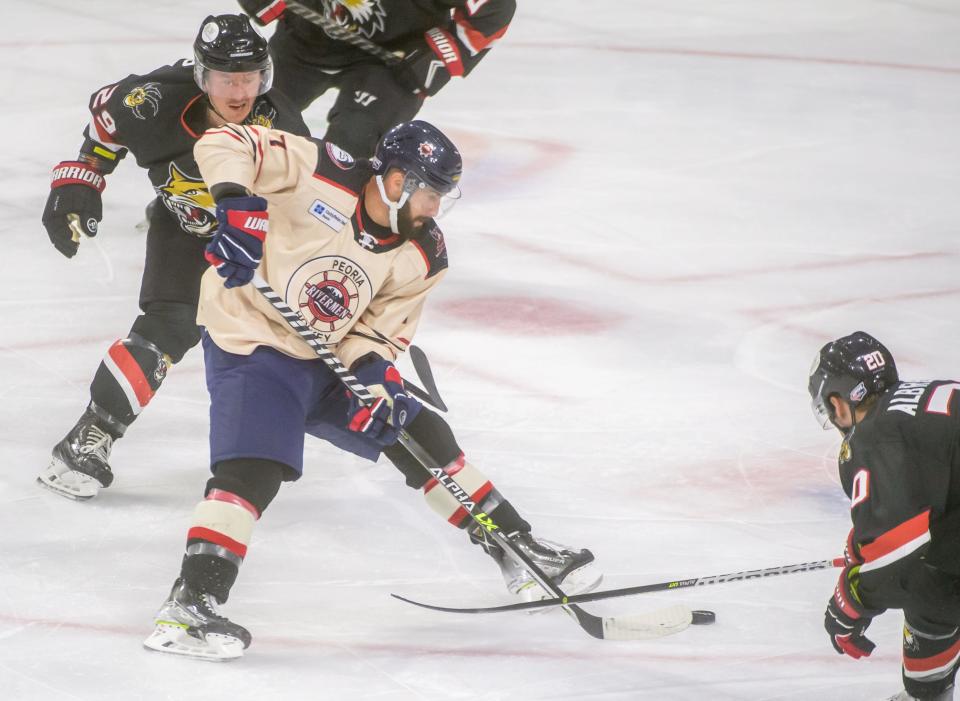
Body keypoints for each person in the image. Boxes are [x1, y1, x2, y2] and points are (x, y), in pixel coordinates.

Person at [142, 119, 600, 660]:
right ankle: (188, 608)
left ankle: (516, 550)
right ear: (398, 180)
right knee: (254, 469)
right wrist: (236, 201)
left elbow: (377, 329)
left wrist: (378, 373)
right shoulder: (320, 170)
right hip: (253, 340)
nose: (434, 207)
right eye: (430, 192)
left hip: (328, 357)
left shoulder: (424, 252)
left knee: (416, 432)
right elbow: (224, 142)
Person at [38, 14, 310, 500]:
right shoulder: (152, 101)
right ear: (203, 76)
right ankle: (88, 437)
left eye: (250, 77)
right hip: (183, 227)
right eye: (228, 78)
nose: (240, 91)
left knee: (269, 350)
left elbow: (308, 211)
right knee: (169, 326)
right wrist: (80, 181)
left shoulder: (283, 130)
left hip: (255, 244)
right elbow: (103, 129)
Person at [809, 331, 960, 701]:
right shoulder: (936, 394)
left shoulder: (873, 436)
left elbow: (904, 569)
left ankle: (928, 692)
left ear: (839, 404)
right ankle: (927, 689)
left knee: (931, 578)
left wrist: (851, 600)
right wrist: (869, 541)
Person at [236, 0, 516, 156]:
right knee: (241, 121)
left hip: (392, 60)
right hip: (306, 40)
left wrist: (435, 59)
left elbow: (495, 7)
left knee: (349, 146)